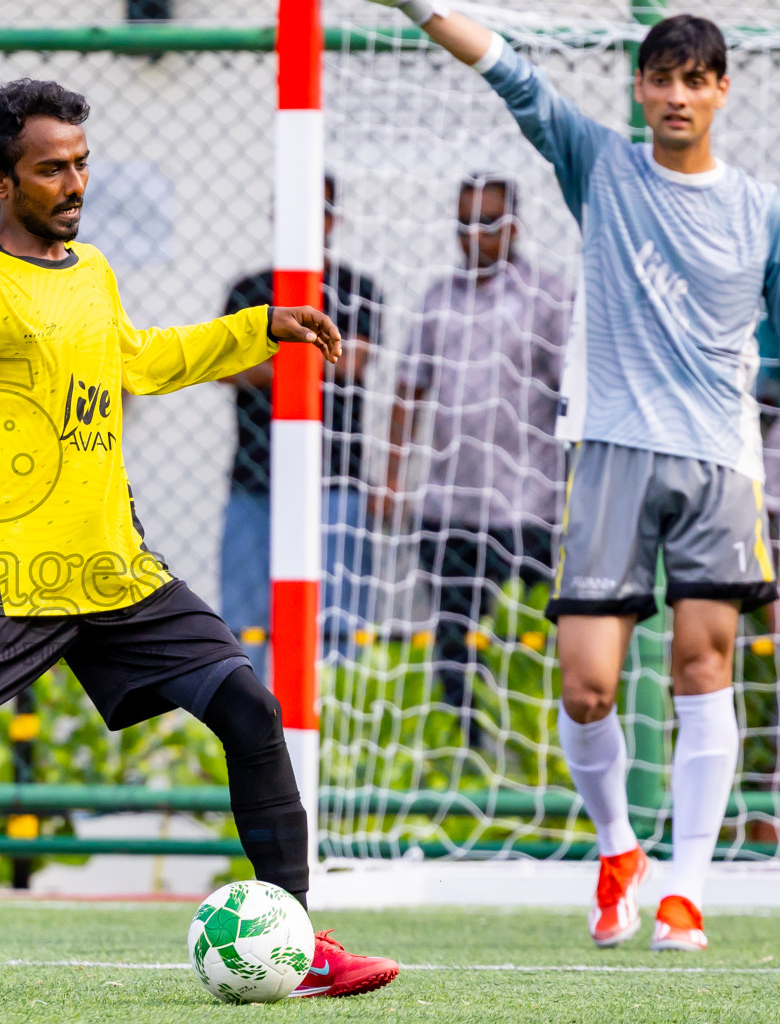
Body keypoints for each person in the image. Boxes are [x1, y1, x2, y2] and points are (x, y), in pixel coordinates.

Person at [0, 78, 398, 999]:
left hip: (116, 571)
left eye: (80, 164)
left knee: (249, 708)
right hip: (13, 580)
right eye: (49, 169)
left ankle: (298, 937)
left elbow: (137, 358)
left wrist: (257, 327)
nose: (73, 183)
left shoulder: (93, 269)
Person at [376, 1, 780, 952]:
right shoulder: (601, 165)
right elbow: (511, 70)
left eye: (695, 79)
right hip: (605, 455)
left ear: (723, 89)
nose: (677, 96)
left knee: (701, 666)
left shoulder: (760, 209)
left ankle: (685, 889)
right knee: (589, 686)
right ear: (640, 88)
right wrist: (415, 6)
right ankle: (617, 851)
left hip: (720, 461)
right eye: (661, 78)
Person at [391, 174, 570, 749]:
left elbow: (576, 395)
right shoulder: (438, 299)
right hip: (451, 508)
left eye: (487, 222)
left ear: (513, 226)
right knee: (456, 643)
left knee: (541, 638)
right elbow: (408, 389)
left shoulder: (547, 296)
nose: (474, 234)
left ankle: (544, 752)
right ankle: (469, 752)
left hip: (529, 507)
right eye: (464, 222)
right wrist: (394, 476)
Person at [219, 175, 383, 668]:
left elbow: (355, 360)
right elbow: (225, 367)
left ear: (334, 219)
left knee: (335, 623)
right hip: (255, 479)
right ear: (275, 216)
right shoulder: (248, 290)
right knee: (244, 622)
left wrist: (270, 361)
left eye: (318, 212)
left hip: (335, 478)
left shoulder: (358, 289)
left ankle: (325, 728)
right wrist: (313, 356)